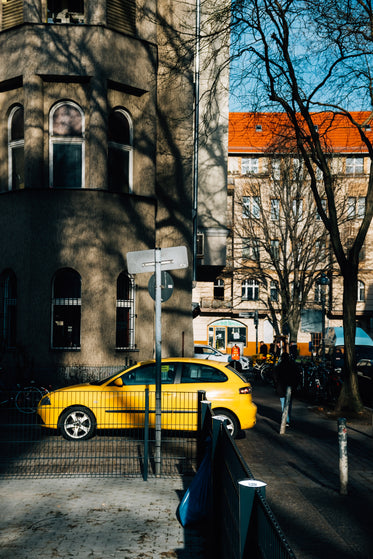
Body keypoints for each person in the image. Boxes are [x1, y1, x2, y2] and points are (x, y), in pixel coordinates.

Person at [272, 352, 300, 427]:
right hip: (290, 387)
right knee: (289, 404)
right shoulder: (292, 365)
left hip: (281, 388)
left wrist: (276, 385)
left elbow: (275, 377)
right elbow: (297, 376)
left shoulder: (279, 366)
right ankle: (288, 419)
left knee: (283, 404)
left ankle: (285, 419)